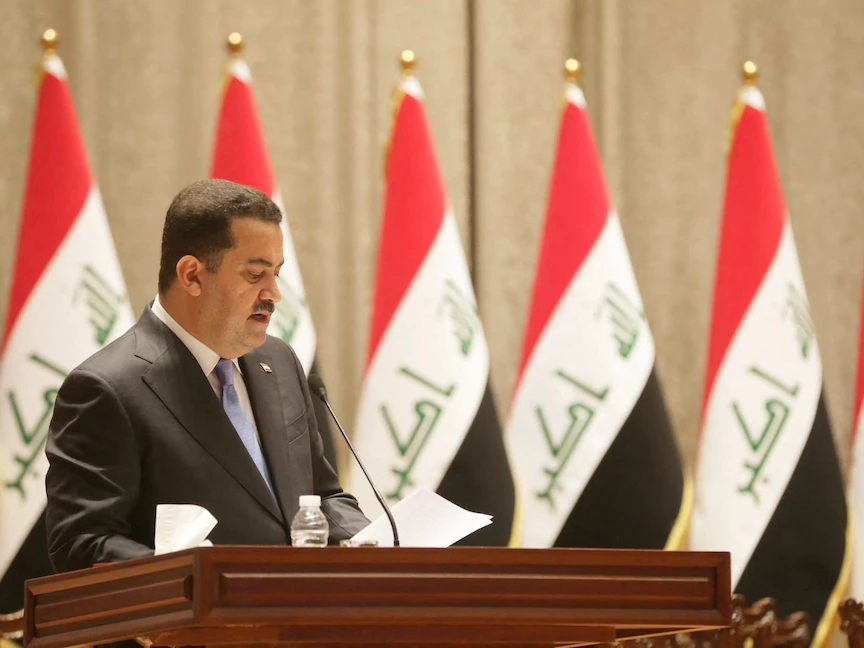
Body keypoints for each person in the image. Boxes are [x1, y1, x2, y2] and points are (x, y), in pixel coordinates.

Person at [45, 179, 369, 573]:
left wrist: (382, 543)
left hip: (295, 609)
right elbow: (83, 543)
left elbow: (321, 497)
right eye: (255, 275)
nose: (274, 294)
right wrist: (198, 578)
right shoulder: (107, 388)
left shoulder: (279, 361)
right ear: (192, 276)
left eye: (276, 274)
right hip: (193, 611)